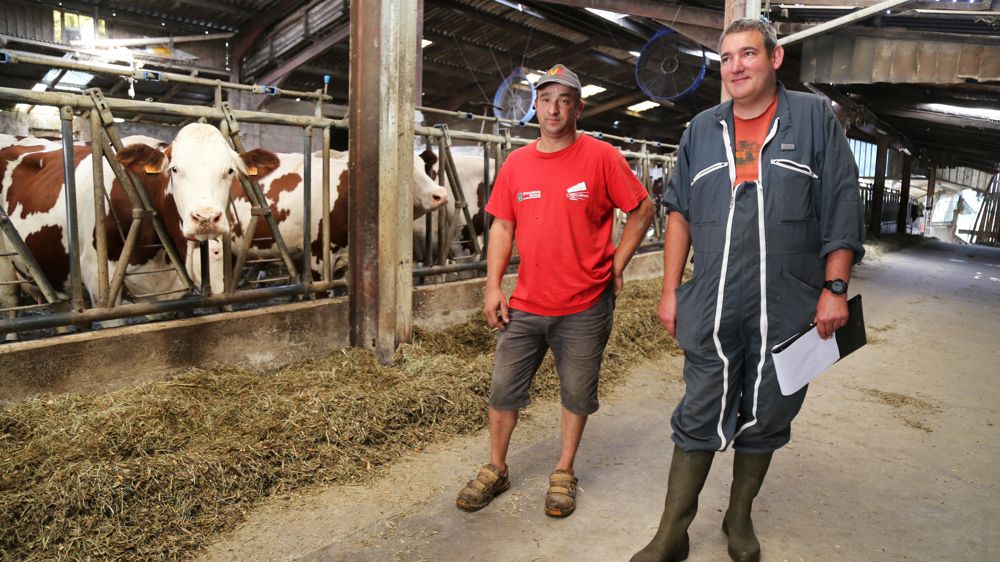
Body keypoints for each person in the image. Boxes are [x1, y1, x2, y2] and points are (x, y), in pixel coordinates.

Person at [631, 19, 865, 562]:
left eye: (748, 54)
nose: (736, 66)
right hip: (713, 295)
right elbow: (680, 214)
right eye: (728, 57)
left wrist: (835, 286)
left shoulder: (812, 119)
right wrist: (670, 290)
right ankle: (672, 532)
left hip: (789, 297)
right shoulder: (701, 129)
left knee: (770, 408)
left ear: (775, 58)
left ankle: (738, 517)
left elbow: (841, 204)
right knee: (699, 408)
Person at [455, 64, 654, 518]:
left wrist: (616, 265)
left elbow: (643, 209)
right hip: (525, 303)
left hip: (585, 303)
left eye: (564, 100)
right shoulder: (518, 164)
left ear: (578, 108)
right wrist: (492, 286)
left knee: (576, 391)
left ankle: (564, 470)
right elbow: (503, 225)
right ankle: (496, 467)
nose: (554, 109)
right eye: (546, 99)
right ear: (535, 105)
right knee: (503, 389)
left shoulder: (602, 157)